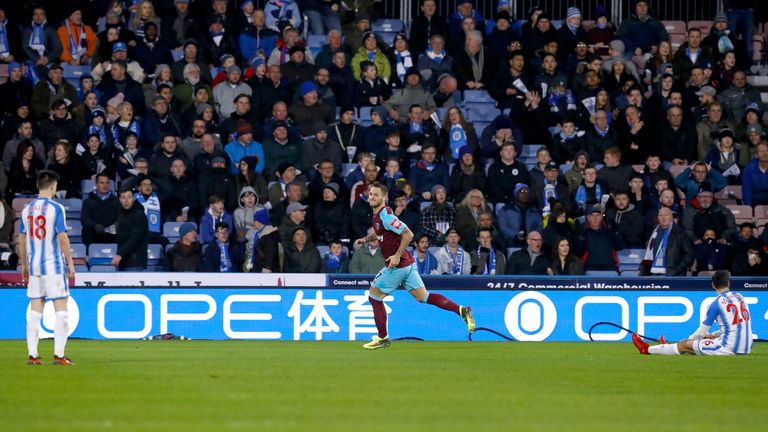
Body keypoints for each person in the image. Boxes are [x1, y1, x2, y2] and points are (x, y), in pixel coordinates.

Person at [353, 182, 475, 349]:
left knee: (374, 296)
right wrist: (366, 239)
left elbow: (408, 234)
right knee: (423, 297)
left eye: (375, 194)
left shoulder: (386, 216)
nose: (371, 197)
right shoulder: (379, 215)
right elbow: (379, 230)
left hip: (398, 265)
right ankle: (461, 310)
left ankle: (382, 338)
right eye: (370, 194)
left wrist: (396, 256)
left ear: (384, 197)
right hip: (408, 264)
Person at [18, 171, 76, 366]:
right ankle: (59, 356)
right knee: (61, 311)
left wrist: (24, 264)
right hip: (53, 266)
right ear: (53, 186)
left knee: (35, 311)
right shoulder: (56, 208)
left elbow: (21, 239)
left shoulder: (26, 210)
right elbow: (62, 237)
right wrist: (70, 262)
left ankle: (32, 356)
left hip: (34, 267)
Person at [632, 270, 752, 356]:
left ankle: (647, 349)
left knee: (685, 345)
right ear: (729, 283)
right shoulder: (740, 297)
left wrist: (690, 341)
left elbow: (702, 331)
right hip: (746, 347)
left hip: (729, 348)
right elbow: (739, 324)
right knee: (695, 348)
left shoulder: (716, 303)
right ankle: (666, 348)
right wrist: (715, 334)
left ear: (713, 285)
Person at [639, 207, 694, 276]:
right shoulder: (654, 232)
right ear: (657, 218)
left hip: (672, 274)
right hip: (652, 272)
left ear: (671, 217)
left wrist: (677, 269)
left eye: (666, 215)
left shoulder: (680, 233)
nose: (663, 218)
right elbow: (648, 254)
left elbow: (689, 255)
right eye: (660, 215)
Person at [113, 187, 149, 271]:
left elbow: (135, 238)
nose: (126, 200)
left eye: (129, 197)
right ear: (119, 200)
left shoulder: (139, 215)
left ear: (134, 199)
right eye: (123, 197)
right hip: (123, 262)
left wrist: (120, 254)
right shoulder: (121, 215)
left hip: (135, 262)